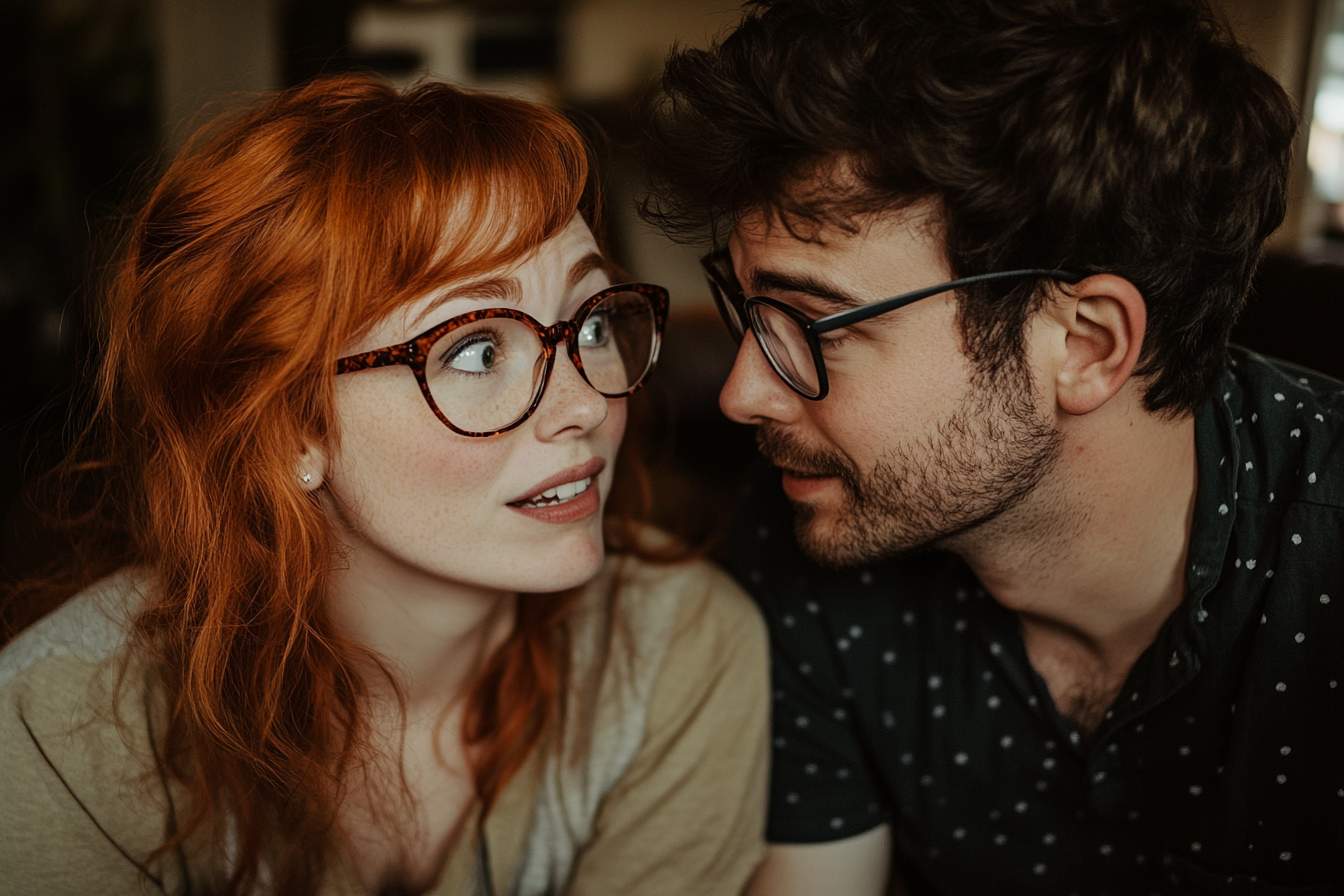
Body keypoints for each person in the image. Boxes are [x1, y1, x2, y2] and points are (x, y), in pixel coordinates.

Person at [0, 74, 768, 896]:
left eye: (590, 323)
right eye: (476, 350)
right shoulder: (59, 728)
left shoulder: (676, 649)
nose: (584, 402)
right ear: (289, 427)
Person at [639, 0, 1344, 893]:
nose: (743, 393)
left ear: (1086, 344)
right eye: (751, 312)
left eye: (817, 325)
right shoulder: (806, 520)